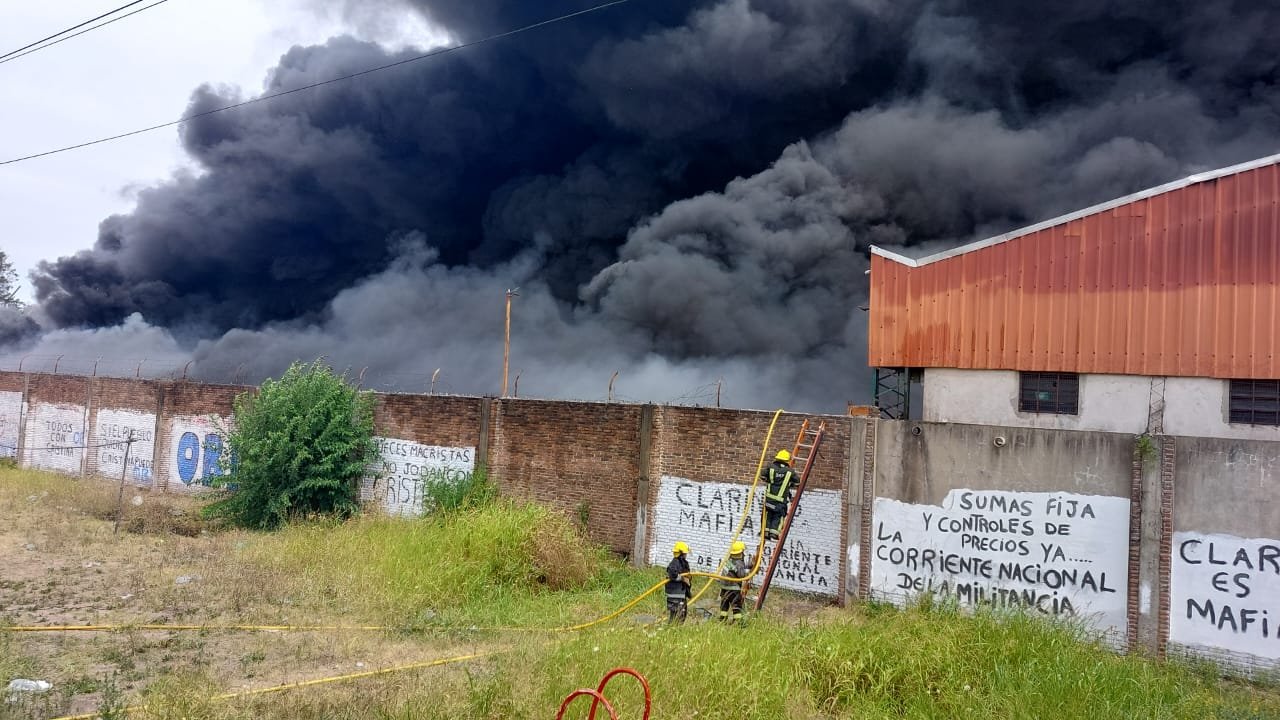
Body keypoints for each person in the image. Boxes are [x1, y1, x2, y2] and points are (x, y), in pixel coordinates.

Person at [761, 449, 799, 541]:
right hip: (780, 501)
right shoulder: (790, 471)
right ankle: (774, 533)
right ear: (787, 460)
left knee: (768, 514)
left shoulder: (770, 467)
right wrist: (789, 484)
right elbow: (797, 483)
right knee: (778, 516)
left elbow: (762, 476)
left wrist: (770, 480)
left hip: (769, 498)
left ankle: (765, 532)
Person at [718, 540, 749, 624]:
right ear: (740, 553)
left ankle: (722, 620)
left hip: (724, 588)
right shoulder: (739, 563)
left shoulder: (728, 561)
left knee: (724, 605)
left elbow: (724, 574)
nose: (744, 554)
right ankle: (739, 623)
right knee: (736, 606)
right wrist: (747, 572)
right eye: (743, 552)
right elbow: (741, 575)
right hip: (734, 589)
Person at [665, 541, 692, 623]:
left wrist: (688, 578)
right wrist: (683, 579)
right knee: (677, 615)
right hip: (675, 595)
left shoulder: (681, 563)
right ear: (681, 553)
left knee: (681, 614)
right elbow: (672, 574)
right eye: (685, 553)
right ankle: (673, 628)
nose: (686, 555)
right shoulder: (675, 563)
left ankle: (675, 628)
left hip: (680, 594)